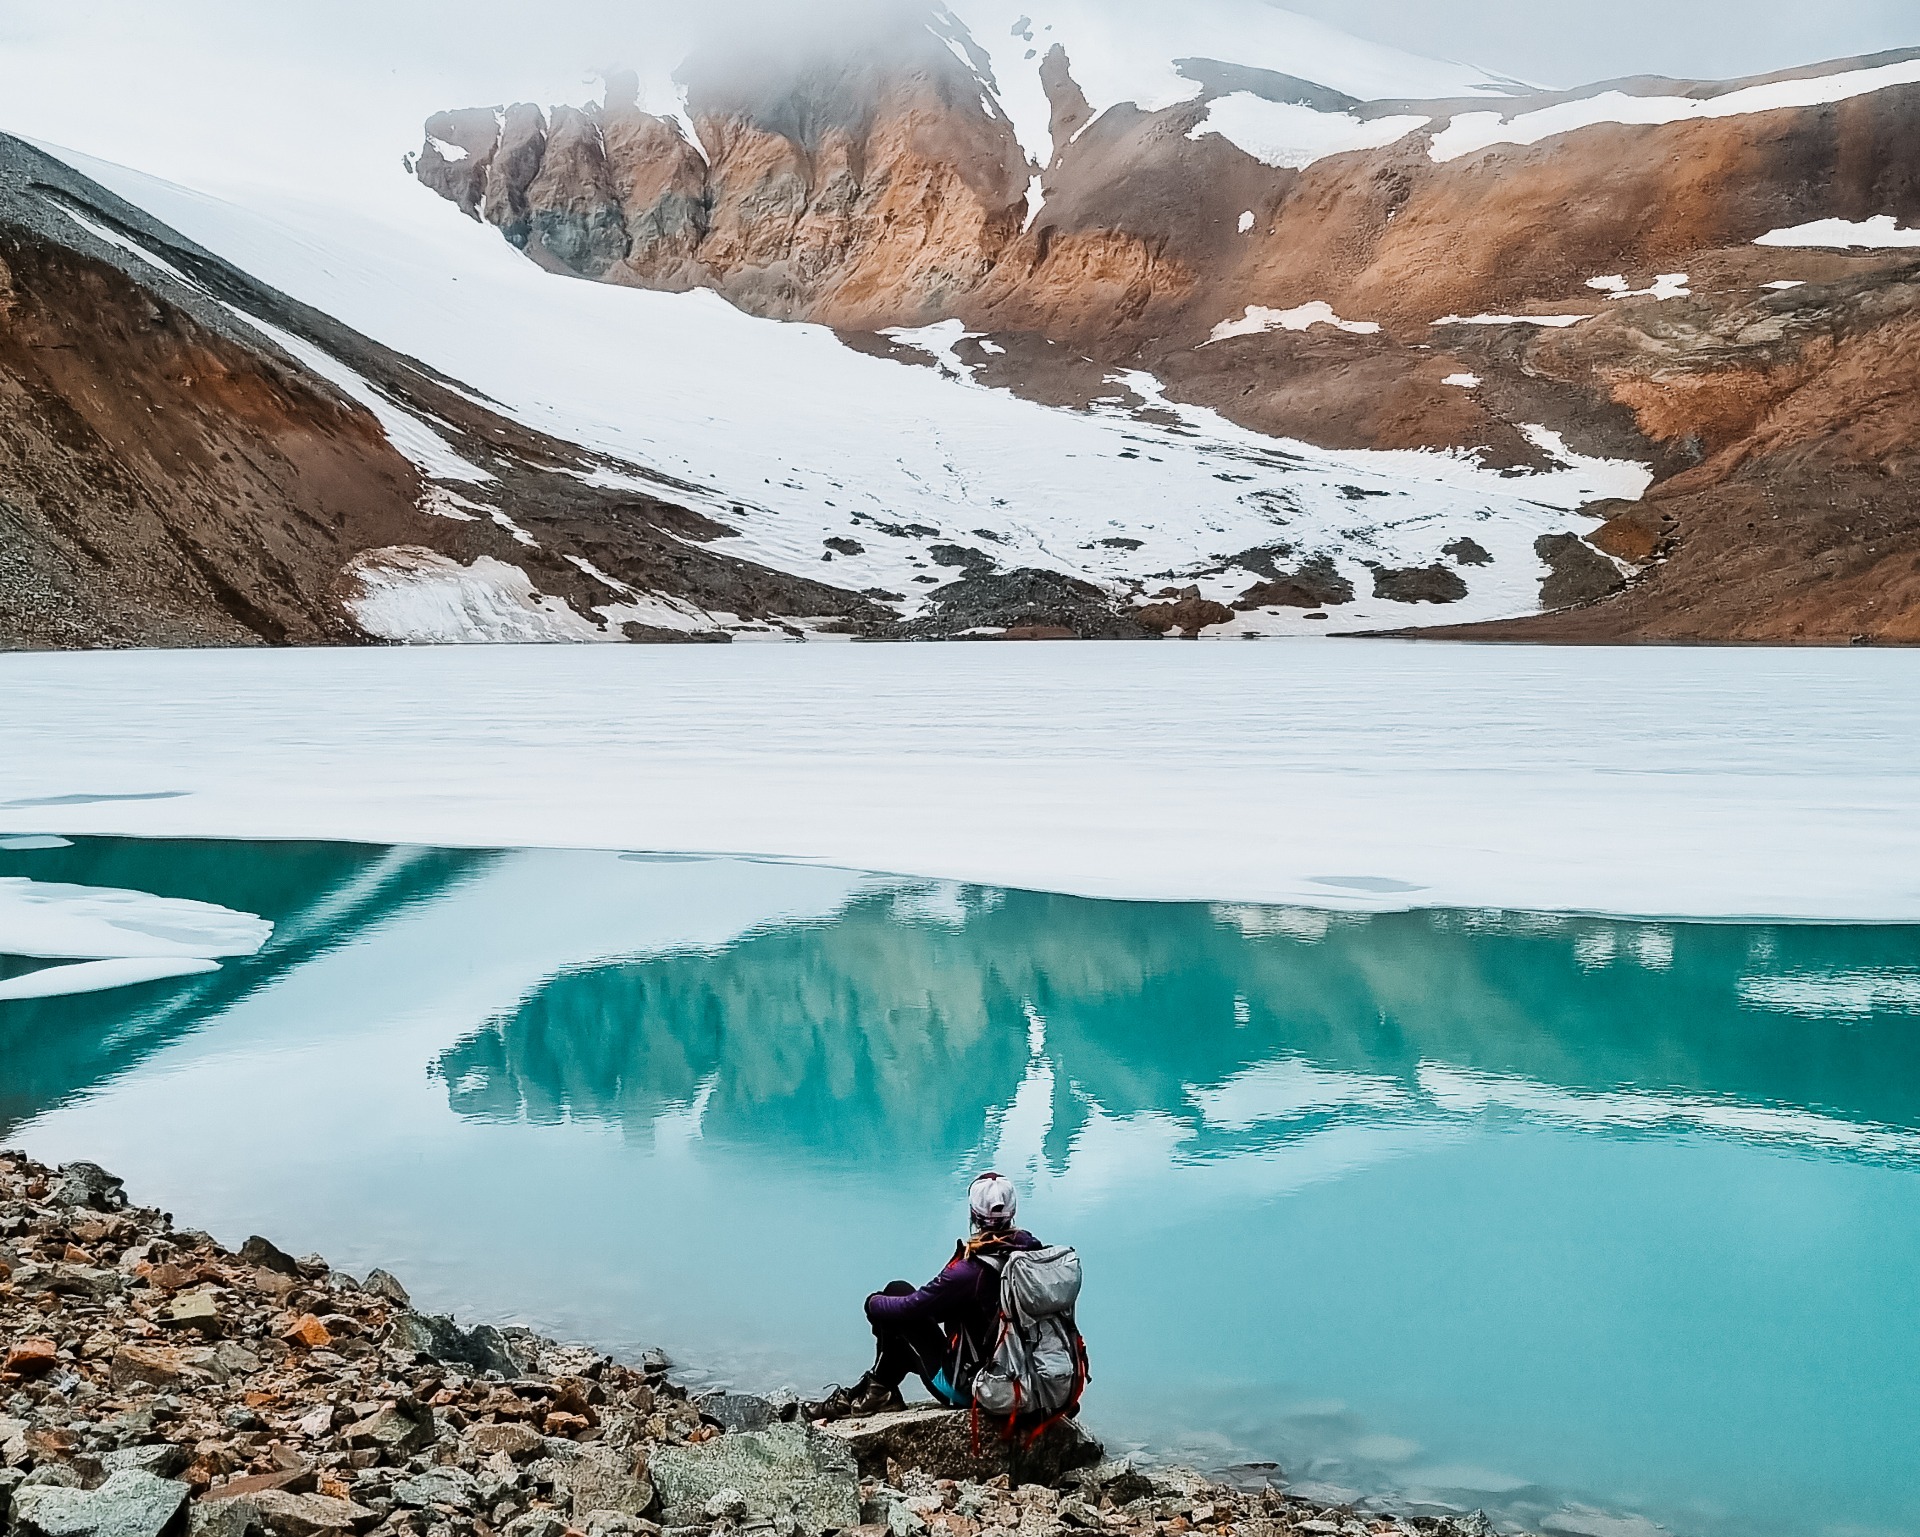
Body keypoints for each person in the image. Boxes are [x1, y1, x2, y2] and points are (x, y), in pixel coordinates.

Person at [805, 1172, 1039, 1421]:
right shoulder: (1030, 1253)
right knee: (901, 1302)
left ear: (973, 1213)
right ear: (1013, 1212)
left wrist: (871, 1303)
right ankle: (878, 1389)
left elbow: (912, 1308)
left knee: (895, 1299)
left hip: (977, 1390)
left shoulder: (971, 1272)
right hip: (1025, 1381)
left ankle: (877, 1390)